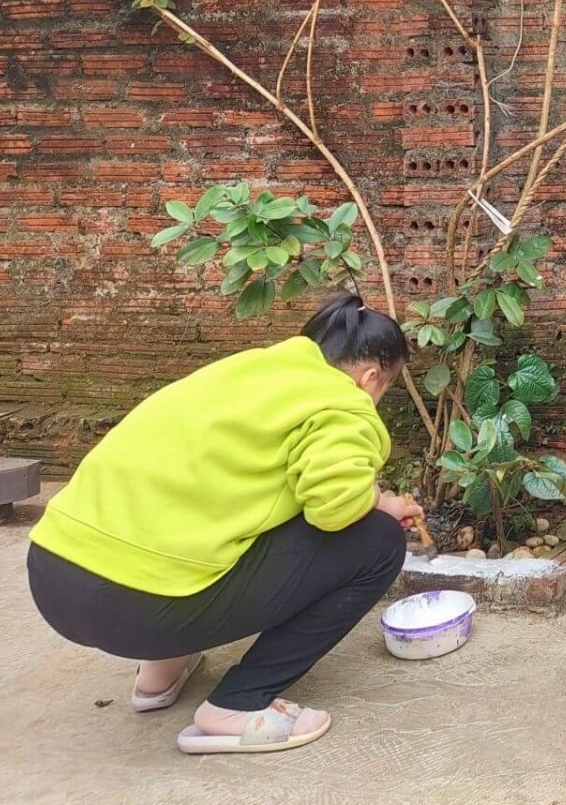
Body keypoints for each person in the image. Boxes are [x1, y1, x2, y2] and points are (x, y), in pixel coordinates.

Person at [28, 295, 422, 754]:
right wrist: (379, 502)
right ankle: (237, 704)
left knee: (214, 514)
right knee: (378, 542)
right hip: (138, 607)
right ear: (370, 378)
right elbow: (334, 506)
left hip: (52, 574)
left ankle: (159, 674)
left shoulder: (245, 371)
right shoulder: (342, 402)